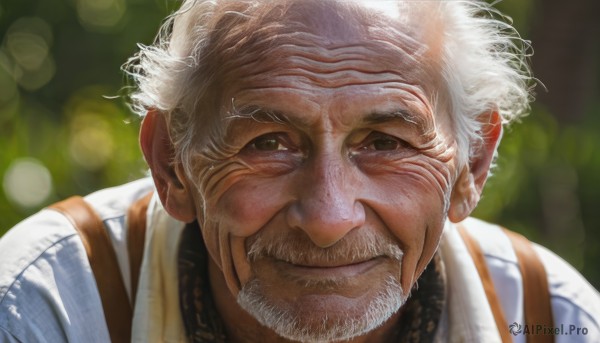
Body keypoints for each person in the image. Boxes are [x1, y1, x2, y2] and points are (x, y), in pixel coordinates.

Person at [1, 0, 598, 342]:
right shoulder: (46, 308)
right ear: (172, 164)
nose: (329, 219)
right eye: (269, 143)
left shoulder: (554, 319)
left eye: (386, 143)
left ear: (471, 163)